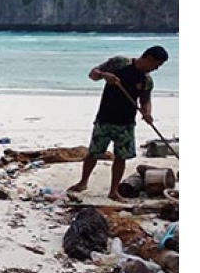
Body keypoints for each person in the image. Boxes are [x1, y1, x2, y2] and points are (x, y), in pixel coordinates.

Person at [68, 45, 169, 201]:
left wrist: (147, 113)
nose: (156, 69)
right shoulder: (120, 63)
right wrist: (104, 75)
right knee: (93, 153)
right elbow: (93, 74)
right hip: (105, 118)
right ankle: (83, 182)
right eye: (157, 65)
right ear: (149, 58)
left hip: (126, 123)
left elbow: (145, 100)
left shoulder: (147, 80)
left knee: (121, 157)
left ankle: (114, 191)